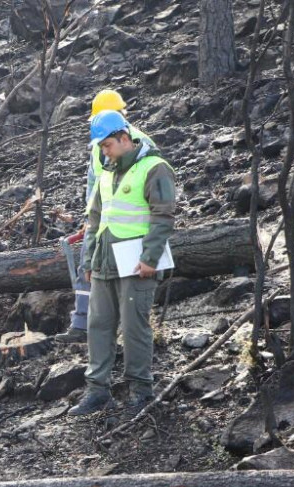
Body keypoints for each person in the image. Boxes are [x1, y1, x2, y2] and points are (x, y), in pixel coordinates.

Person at [68, 110, 175, 416]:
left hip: (136, 264)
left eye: (107, 146)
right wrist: (89, 260)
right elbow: (95, 220)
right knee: (98, 325)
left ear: (124, 139)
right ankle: (97, 391)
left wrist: (150, 258)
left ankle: (140, 391)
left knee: (133, 328)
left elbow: (163, 215)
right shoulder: (106, 172)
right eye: (101, 148)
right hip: (104, 260)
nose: (104, 152)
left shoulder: (155, 168)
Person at [56, 90, 158, 344]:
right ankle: (82, 325)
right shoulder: (98, 147)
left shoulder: (141, 144)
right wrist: (90, 217)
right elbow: (93, 183)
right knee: (88, 267)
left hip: (131, 220)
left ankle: (127, 329)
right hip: (102, 217)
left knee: (130, 275)